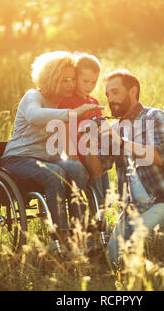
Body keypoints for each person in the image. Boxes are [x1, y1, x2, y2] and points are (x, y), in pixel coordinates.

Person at [87, 69, 164, 267]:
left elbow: (159, 156)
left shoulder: (155, 117)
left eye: (115, 92)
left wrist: (121, 141)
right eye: (108, 94)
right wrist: (89, 141)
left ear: (133, 91)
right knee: (114, 261)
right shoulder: (115, 129)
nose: (110, 99)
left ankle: (160, 257)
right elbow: (97, 170)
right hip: (133, 210)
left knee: (134, 243)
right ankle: (157, 253)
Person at [0, 51, 103, 247]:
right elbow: (33, 116)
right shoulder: (33, 96)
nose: (71, 85)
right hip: (19, 158)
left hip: (47, 159)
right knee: (54, 172)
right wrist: (72, 113)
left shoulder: (63, 102)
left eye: (73, 79)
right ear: (51, 79)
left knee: (75, 168)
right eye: (65, 80)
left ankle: (79, 232)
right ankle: (62, 239)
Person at [57, 53, 110, 210]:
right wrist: (76, 162)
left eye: (93, 82)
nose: (89, 86)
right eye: (85, 81)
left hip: (98, 156)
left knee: (104, 196)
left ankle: (101, 222)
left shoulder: (94, 102)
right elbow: (66, 133)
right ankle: (95, 225)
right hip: (82, 157)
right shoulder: (68, 101)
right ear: (76, 77)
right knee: (94, 194)